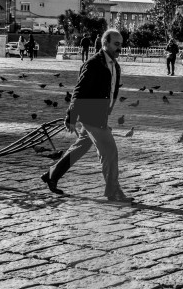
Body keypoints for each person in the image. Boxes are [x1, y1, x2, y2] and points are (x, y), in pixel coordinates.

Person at [42, 29, 132, 204]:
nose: (120, 48)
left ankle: (52, 175)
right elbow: (79, 91)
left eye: (121, 44)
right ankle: (113, 192)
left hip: (100, 115)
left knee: (79, 148)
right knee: (110, 152)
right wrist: (71, 116)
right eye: (116, 44)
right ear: (105, 43)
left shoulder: (114, 65)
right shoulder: (93, 64)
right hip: (92, 117)